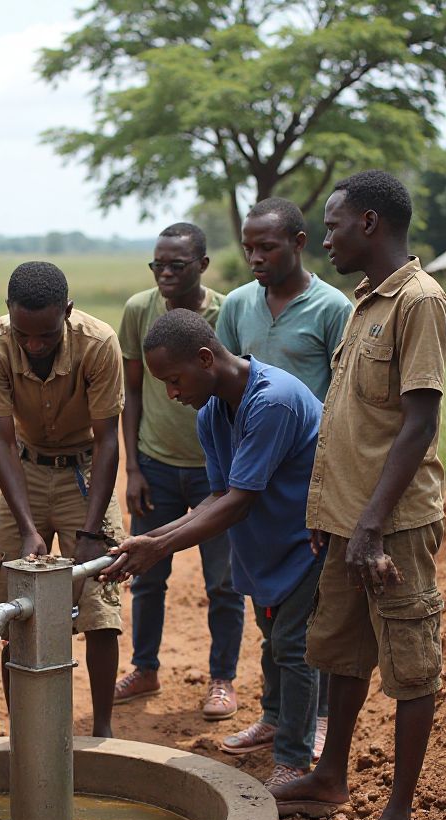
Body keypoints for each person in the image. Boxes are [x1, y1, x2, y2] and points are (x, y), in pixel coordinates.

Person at [271, 171, 446, 820]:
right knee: (341, 654)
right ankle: (330, 775)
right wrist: (333, 515)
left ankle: (398, 819)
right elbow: (352, 422)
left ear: (370, 224)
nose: (326, 238)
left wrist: (374, 524)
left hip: (393, 525)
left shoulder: (420, 302)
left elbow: (418, 423)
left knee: (410, 667)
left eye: (335, 225)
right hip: (350, 520)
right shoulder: (362, 304)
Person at [102, 310, 325, 787]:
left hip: (307, 539)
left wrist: (160, 549)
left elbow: (239, 503)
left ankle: (293, 757)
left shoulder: (273, 402)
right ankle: (273, 718)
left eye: (175, 380)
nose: (172, 394)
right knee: (272, 641)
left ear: (205, 359)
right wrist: (155, 536)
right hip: (267, 545)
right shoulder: (211, 414)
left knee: (294, 647)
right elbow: (218, 494)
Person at [216, 196, 353, 759]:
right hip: (256, 481)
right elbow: (222, 381)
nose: (254, 257)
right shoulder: (238, 306)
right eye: (248, 247)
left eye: (266, 246)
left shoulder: (332, 308)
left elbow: (344, 400)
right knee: (269, 612)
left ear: (299, 243)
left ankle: (312, 721)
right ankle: (276, 716)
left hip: (308, 477)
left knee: (305, 618)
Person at [0, 261, 124, 736]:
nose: (35, 346)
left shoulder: (99, 344)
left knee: (101, 608)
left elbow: (108, 441)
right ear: (8, 315)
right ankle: (26, 737)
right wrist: (26, 528)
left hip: (85, 474)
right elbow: (0, 441)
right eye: (25, 335)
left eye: (46, 335)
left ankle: (102, 732)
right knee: (14, 605)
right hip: (27, 471)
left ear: (68, 312)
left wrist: (91, 530)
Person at [117, 222, 245, 720]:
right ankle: (145, 668)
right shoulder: (138, 311)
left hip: (216, 471)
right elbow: (131, 392)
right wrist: (133, 469)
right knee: (145, 572)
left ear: (203, 266)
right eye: (158, 265)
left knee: (224, 583)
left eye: (178, 265)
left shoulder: (225, 311)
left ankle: (222, 679)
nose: (166, 274)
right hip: (156, 463)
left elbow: (234, 379)